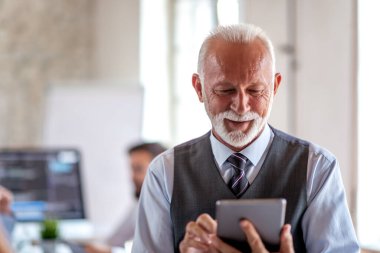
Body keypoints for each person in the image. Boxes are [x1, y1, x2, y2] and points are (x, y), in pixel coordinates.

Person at [132, 24, 360, 253]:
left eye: (255, 90)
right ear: (199, 88)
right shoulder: (164, 173)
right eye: (225, 90)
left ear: (275, 86)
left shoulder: (317, 168)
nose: (241, 107)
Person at [85, 142, 166, 253]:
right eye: (132, 169)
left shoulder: (166, 211)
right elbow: (113, 241)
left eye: (138, 169)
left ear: (159, 171)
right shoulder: (139, 205)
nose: (132, 177)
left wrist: (111, 251)